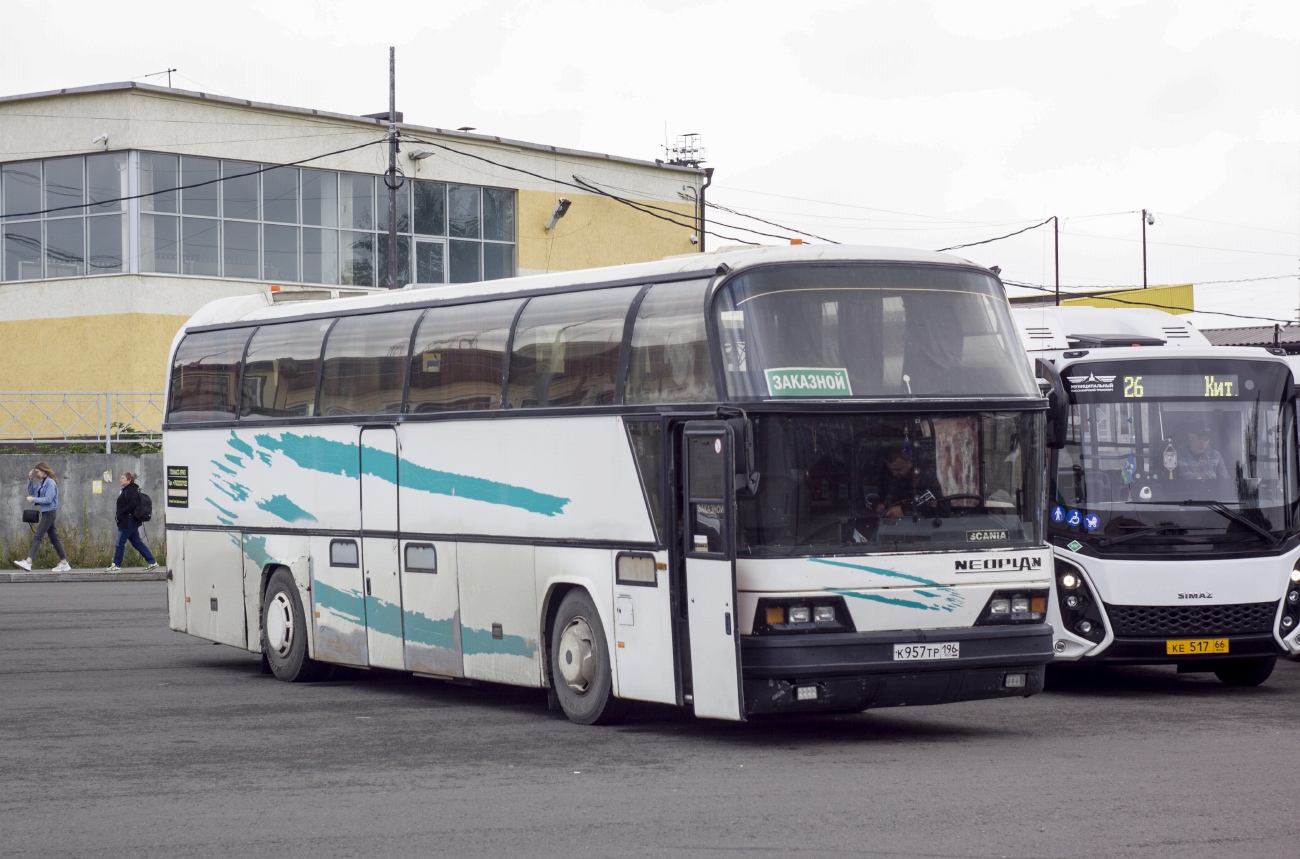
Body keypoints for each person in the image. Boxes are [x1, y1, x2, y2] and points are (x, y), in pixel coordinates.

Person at [14, 462, 71, 572]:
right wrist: (30, 479)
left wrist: (34, 499)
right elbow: (32, 492)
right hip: (46, 513)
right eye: (35, 473)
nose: (36, 474)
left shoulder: (50, 483)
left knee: (38, 536)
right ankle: (64, 562)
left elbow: (48, 499)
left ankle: (29, 562)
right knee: (54, 538)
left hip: (49, 513)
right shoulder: (42, 482)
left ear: (44, 471)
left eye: (37, 472)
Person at [108, 472, 158, 572]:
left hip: (128, 521)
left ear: (129, 480)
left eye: (122, 478)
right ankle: (152, 562)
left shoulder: (130, 490)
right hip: (130, 521)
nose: (120, 480)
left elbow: (133, 504)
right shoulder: (127, 490)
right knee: (137, 543)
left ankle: (117, 565)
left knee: (119, 542)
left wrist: (122, 513)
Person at [875, 445, 945, 517]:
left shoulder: (927, 474)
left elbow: (935, 496)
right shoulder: (890, 476)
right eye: (891, 469)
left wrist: (904, 509)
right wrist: (883, 504)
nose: (894, 474)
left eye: (898, 469)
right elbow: (891, 495)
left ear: (910, 462)